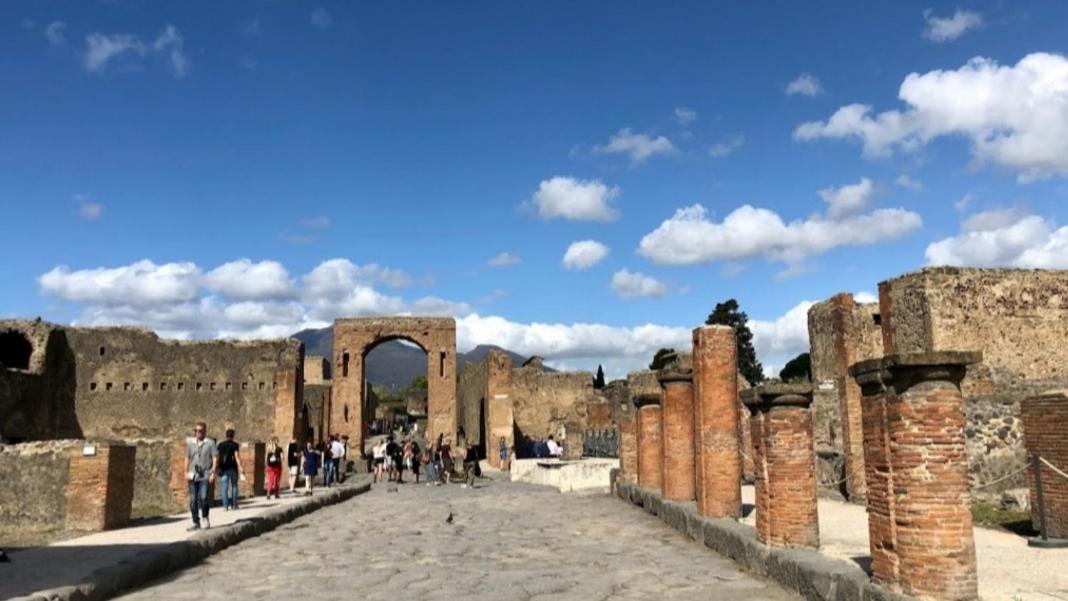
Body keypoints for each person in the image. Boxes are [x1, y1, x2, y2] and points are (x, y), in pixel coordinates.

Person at [185, 421, 218, 530]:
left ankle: (205, 517)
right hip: (193, 475)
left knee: (204, 497)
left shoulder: (210, 443)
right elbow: (187, 458)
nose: (198, 433)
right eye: (196, 431)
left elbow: (215, 458)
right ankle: (196, 521)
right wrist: (185, 471)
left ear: (205, 431)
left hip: (205, 474)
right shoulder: (191, 444)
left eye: (200, 431)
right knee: (193, 500)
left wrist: (213, 472)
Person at [216, 428, 244, 511]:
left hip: (223, 468)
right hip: (232, 468)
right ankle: (234, 505)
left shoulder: (220, 445)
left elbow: (217, 457)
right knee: (234, 486)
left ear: (226, 435)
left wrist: (216, 467)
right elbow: (236, 457)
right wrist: (240, 467)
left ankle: (225, 506)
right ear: (233, 435)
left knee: (224, 487)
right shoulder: (235, 445)